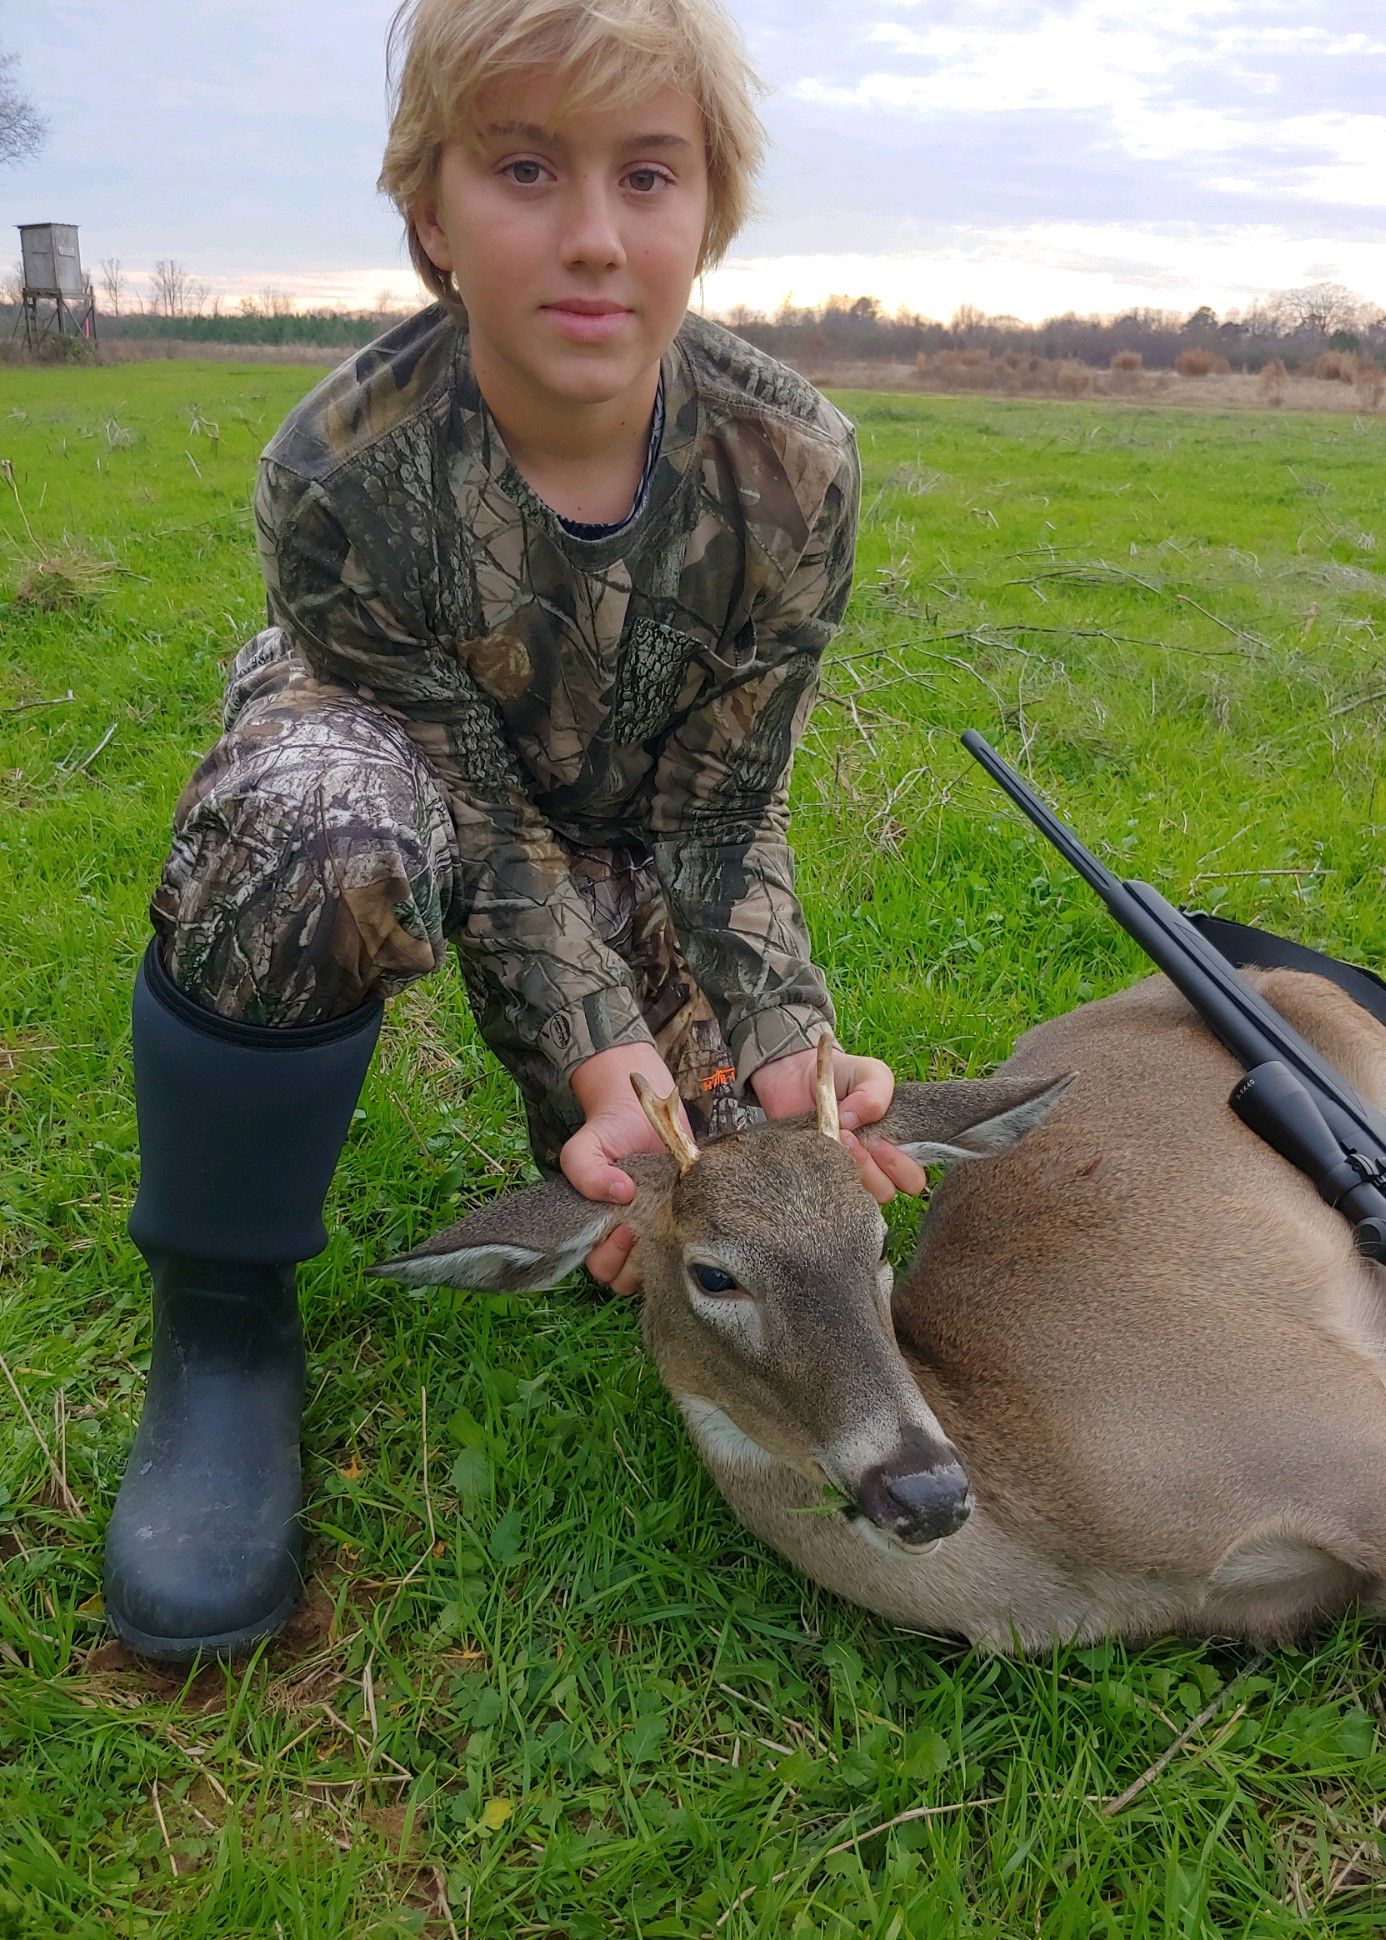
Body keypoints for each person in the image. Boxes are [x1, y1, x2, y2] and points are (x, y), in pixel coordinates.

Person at [105, 0, 926, 1666]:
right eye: (527, 169)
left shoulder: (792, 467)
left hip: (629, 819)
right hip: (407, 777)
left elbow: (720, 806)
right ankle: (223, 1319)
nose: (595, 237)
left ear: (711, 211)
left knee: (719, 1195)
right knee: (313, 834)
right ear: (431, 212)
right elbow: (475, 812)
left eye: (649, 175)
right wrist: (591, 1036)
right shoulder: (340, 473)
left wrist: (787, 1041)